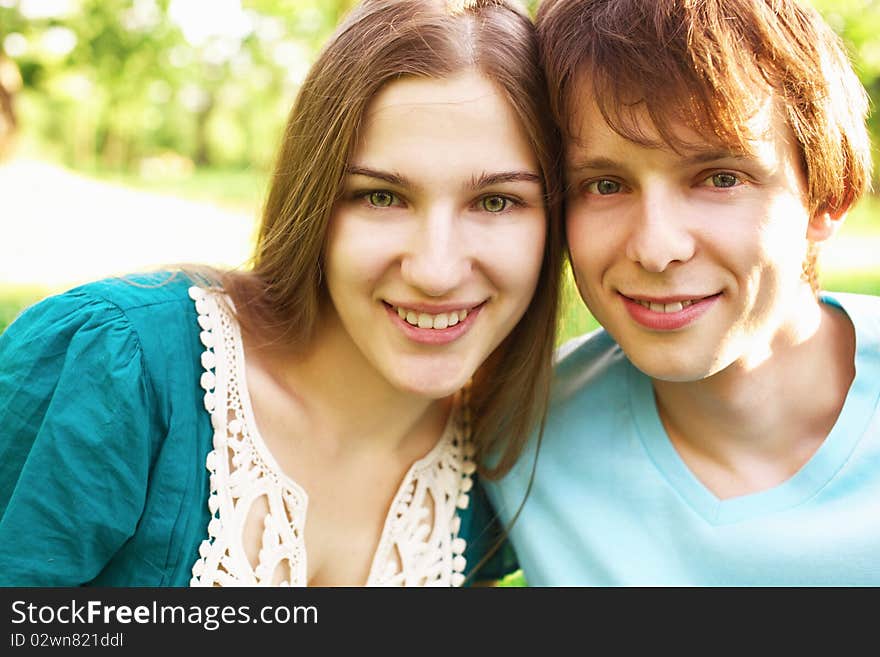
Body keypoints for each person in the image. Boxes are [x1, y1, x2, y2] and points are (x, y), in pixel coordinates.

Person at [0, 0, 563, 587]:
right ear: (313, 200)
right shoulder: (115, 373)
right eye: (381, 196)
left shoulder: (500, 479)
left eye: (497, 201)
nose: (436, 269)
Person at [486, 0, 879, 585]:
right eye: (604, 184)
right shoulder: (518, 436)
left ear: (829, 194)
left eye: (720, 178)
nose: (656, 247)